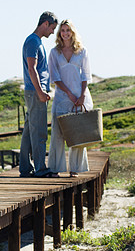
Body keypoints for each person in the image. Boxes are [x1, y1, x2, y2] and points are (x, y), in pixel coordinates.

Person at [48, 19, 93, 177]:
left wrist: (81, 95)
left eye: (68, 30)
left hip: (81, 97)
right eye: (62, 30)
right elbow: (55, 77)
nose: (65, 33)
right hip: (62, 97)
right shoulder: (55, 52)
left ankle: (75, 169)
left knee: (77, 134)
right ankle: (55, 169)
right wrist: (69, 94)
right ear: (59, 33)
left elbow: (86, 75)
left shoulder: (82, 51)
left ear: (72, 32)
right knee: (58, 133)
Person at [19, 11, 59, 178]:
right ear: (45, 24)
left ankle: (25, 168)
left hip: (34, 92)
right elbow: (31, 68)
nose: (53, 32)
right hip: (36, 92)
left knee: (29, 132)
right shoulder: (33, 42)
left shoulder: (36, 41)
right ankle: (41, 169)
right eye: (52, 28)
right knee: (39, 132)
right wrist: (41, 92)